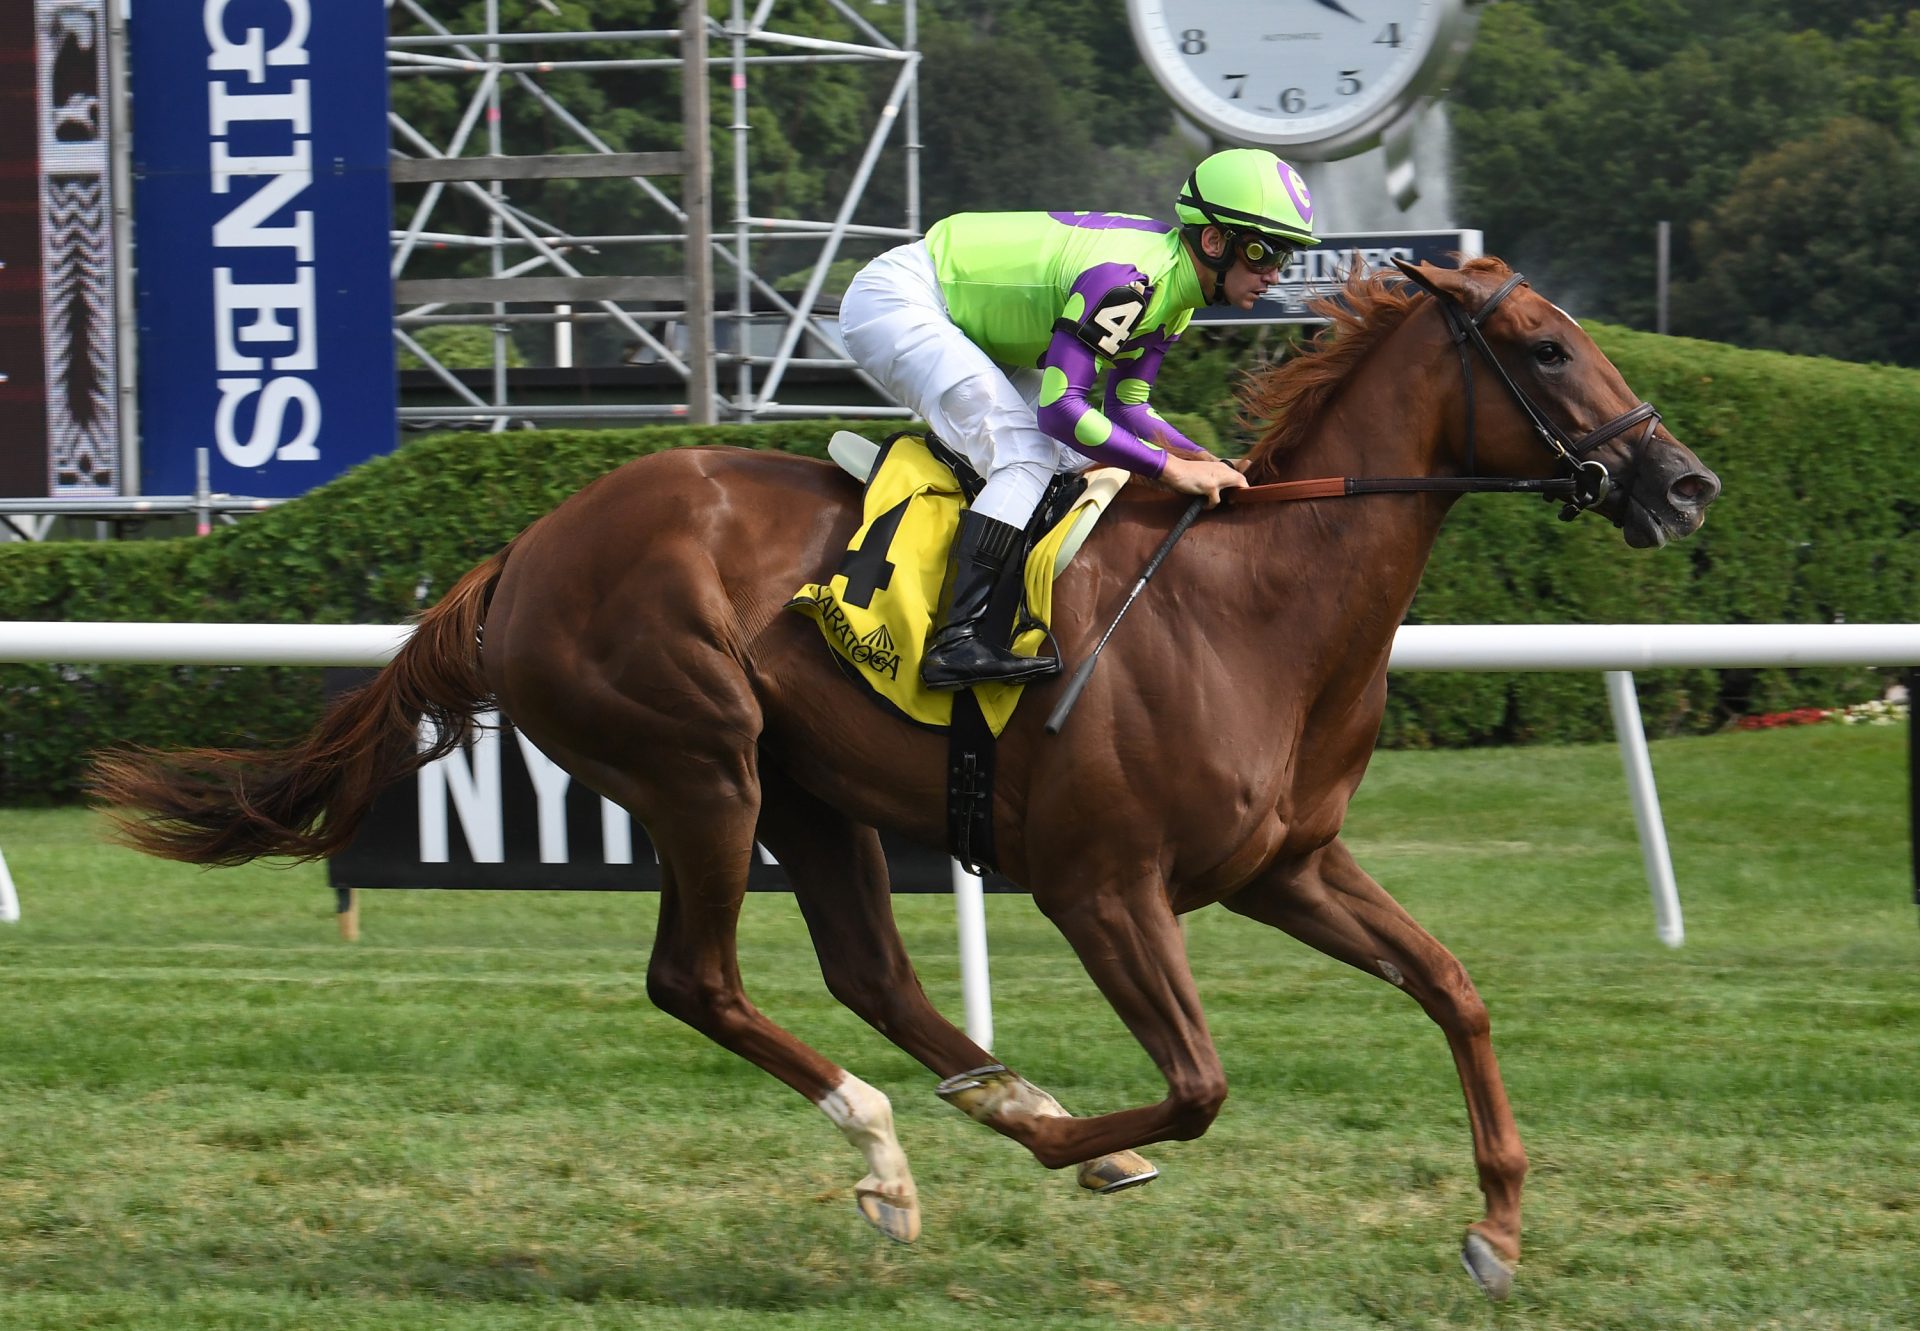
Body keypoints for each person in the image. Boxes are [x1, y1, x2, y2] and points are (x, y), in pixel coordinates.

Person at [837, 147, 1319, 691]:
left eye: (1284, 258)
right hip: (902, 300)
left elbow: (1127, 408)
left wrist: (1206, 460)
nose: (1273, 275)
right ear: (1213, 241)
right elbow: (1061, 410)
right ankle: (956, 640)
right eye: (1261, 253)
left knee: (1072, 457)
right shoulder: (1129, 282)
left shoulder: (1178, 297)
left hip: (965, 318)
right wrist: (1171, 469)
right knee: (1026, 453)